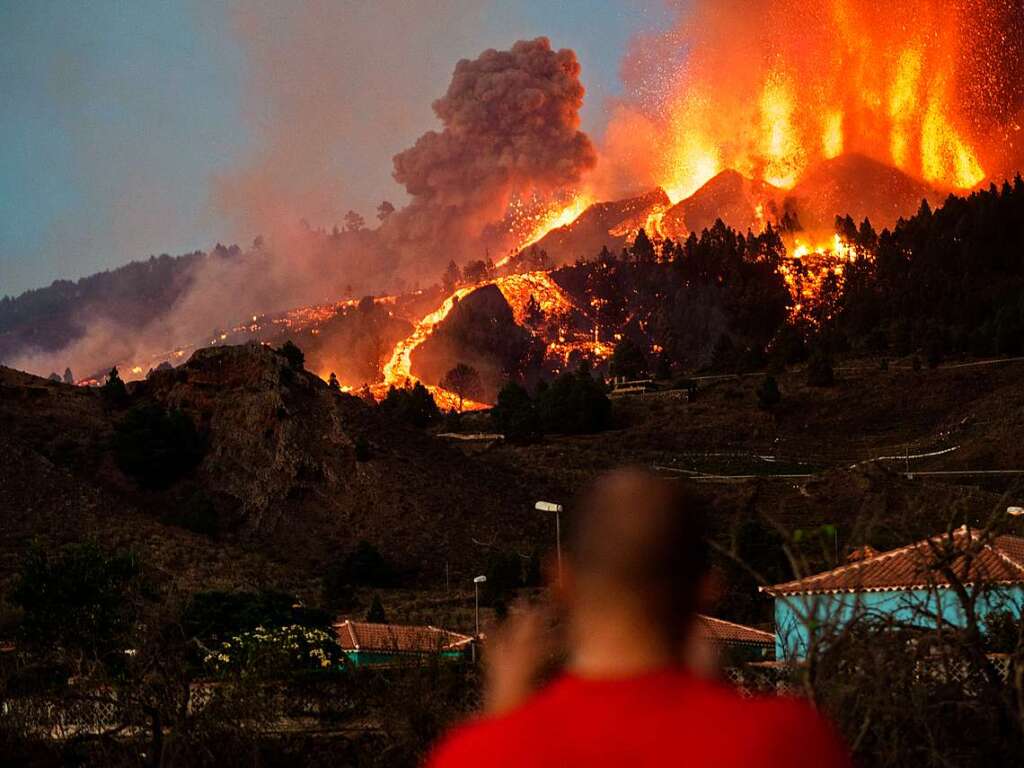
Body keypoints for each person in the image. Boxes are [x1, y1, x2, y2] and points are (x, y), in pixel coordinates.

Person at [426, 468, 851, 768]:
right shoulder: (792, 742)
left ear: (561, 581)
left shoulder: (475, 755)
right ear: (708, 588)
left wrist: (503, 722)